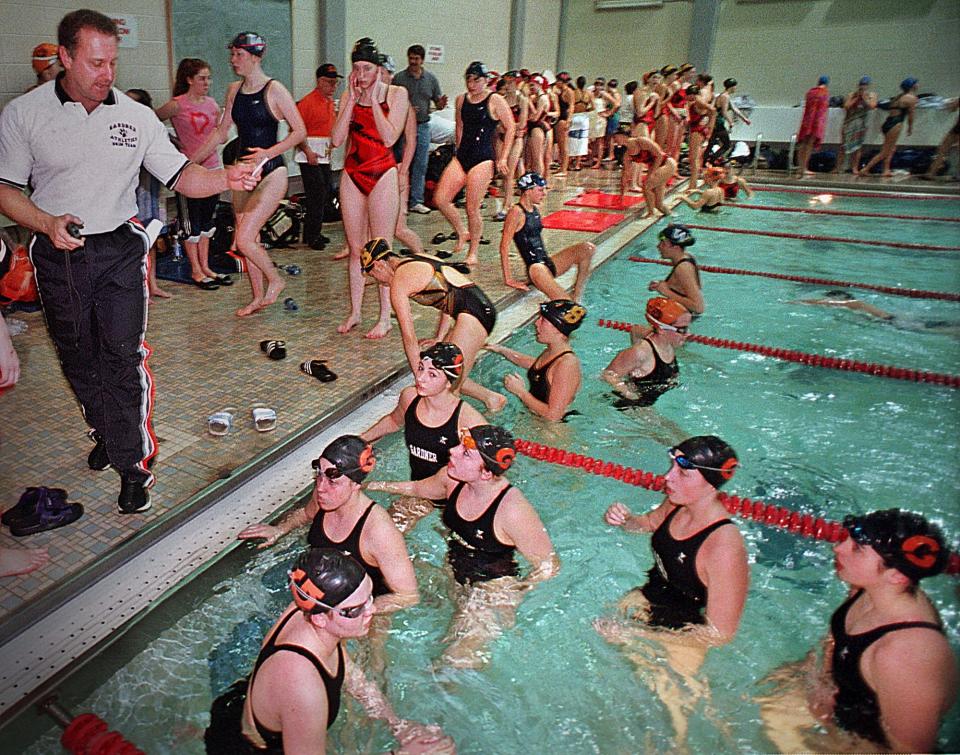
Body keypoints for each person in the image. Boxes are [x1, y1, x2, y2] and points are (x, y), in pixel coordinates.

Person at [0, 10, 261, 514]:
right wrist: (45, 222)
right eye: (95, 63)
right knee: (77, 359)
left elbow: (183, 176)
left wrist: (227, 178)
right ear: (65, 57)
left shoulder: (135, 117)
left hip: (119, 248)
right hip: (59, 252)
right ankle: (108, 429)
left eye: (113, 63)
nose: (107, 74)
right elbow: (6, 191)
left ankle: (133, 464)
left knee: (122, 356)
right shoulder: (24, 115)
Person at [204, 547, 452, 754]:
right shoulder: (303, 687)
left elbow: (352, 674)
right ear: (321, 618)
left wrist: (397, 725)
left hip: (244, 706)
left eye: (369, 597)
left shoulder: (308, 611)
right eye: (355, 609)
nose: (372, 610)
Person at [758, 509, 957, 753]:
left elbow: (910, 751)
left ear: (896, 576)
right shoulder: (867, 587)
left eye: (857, 549)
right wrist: (823, 678)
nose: (838, 548)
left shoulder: (905, 655)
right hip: (841, 705)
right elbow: (837, 636)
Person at [596, 436, 748, 746]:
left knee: (665, 733)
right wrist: (625, 520)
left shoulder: (724, 547)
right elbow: (648, 523)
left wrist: (637, 635)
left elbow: (720, 633)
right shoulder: (678, 502)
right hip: (646, 601)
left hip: (684, 639)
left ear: (710, 483)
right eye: (671, 467)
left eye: (682, 472)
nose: (668, 477)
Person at [366, 425, 558, 668]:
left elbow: (549, 566)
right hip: (454, 569)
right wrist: (372, 486)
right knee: (382, 582)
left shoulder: (512, 510)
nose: (453, 451)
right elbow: (416, 488)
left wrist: (514, 594)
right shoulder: (452, 478)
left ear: (486, 473)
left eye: (465, 453)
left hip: (490, 589)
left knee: (449, 664)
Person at [192, 31, 305, 317]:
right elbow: (220, 132)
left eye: (238, 55)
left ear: (255, 56)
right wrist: (189, 163)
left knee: (243, 238)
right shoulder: (233, 90)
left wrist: (269, 152)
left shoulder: (274, 90)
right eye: (232, 55)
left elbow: (300, 131)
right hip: (243, 172)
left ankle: (275, 279)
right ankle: (257, 297)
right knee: (246, 240)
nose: (232, 61)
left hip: (271, 170)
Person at [237, 435, 418, 614]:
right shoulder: (324, 496)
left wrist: (353, 611)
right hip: (317, 590)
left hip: (359, 612)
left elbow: (407, 596)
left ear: (356, 485)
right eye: (319, 475)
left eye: (332, 481)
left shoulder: (379, 532)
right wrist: (279, 529)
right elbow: (306, 514)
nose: (321, 487)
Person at [361, 238, 505, 412]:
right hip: (475, 309)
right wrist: (439, 338)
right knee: (442, 370)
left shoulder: (399, 282)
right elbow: (448, 294)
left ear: (378, 265)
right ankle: (491, 399)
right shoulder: (416, 258)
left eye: (372, 275)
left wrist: (421, 380)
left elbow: (409, 339)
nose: (378, 282)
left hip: (474, 315)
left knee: (445, 392)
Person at [361, 342, 486, 531]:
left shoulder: (468, 421)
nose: (420, 378)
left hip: (455, 499)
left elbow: (486, 475)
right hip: (419, 491)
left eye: (432, 374)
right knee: (384, 533)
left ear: (448, 383)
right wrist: (360, 439)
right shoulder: (410, 398)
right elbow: (394, 421)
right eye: (421, 368)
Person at [332, 38, 409, 339]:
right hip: (354, 172)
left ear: (378, 69)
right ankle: (355, 312)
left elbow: (390, 138)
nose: (361, 75)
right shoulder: (348, 95)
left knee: (381, 250)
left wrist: (374, 100)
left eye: (367, 68)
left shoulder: (397, 94)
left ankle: (385, 317)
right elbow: (337, 140)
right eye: (356, 69)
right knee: (355, 249)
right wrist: (351, 99)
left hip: (383, 173)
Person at [155, 58, 230, 289]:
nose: (207, 82)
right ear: (189, 80)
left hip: (212, 169)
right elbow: (151, 123)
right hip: (189, 172)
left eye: (209, 78)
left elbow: (221, 134)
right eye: (202, 78)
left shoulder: (211, 104)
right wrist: (173, 143)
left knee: (208, 221)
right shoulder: (177, 104)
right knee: (192, 223)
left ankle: (206, 266)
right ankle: (195, 270)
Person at [434, 61, 514, 266]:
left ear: (486, 80)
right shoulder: (461, 100)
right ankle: (462, 231)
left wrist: (503, 157)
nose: (472, 84)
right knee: (440, 199)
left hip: (483, 158)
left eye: (476, 80)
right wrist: (457, 154)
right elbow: (459, 128)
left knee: (472, 208)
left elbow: (511, 127)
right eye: (469, 79)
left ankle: (474, 251)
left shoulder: (495, 100)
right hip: (463, 156)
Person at [499, 171, 595, 299]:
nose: (544, 194)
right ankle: (569, 301)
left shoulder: (534, 209)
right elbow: (503, 247)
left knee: (587, 248)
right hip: (536, 269)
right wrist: (509, 279)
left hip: (547, 263)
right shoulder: (516, 212)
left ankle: (577, 295)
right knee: (567, 307)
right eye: (540, 190)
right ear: (528, 191)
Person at [485, 299, 585, 422]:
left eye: (543, 320)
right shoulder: (554, 352)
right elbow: (538, 366)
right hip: (536, 421)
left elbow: (554, 416)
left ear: (559, 330)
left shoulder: (567, 365)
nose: (536, 323)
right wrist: (502, 350)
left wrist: (520, 392)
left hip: (553, 431)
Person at [602, 297, 690, 406]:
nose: (687, 334)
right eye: (682, 330)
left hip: (649, 402)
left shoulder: (667, 344)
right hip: (628, 405)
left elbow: (636, 330)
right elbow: (608, 375)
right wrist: (631, 395)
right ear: (662, 329)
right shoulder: (641, 352)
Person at [392, 44, 447, 214]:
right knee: (401, 163)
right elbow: (391, 102)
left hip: (423, 125)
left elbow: (437, 102)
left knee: (421, 164)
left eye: (416, 59)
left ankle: (416, 200)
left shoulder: (431, 79)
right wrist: (405, 109)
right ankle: (399, 201)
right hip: (402, 127)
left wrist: (441, 104)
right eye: (411, 58)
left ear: (422, 60)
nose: (413, 61)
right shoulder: (400, 79)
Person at [295, 63, 341, 251]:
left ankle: (314, 231)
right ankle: (312, 237)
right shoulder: (307, 103)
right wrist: (307, 151)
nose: (333, 87)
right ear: (320, 81)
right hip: (309, 155)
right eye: (330, 82)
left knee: (326, 193)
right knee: (316, 195)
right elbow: (296, 131)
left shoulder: (330, 102)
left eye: (335, 83)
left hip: (323, 155)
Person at [794, 289, 960, 334]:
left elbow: (827, 303)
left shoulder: (855, 303)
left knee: (943, 331)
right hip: (896, 320)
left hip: (895, 322)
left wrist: (797, 302)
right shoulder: (856, 306)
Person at [861, 77, 920, 178]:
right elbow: (911, 115)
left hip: (888, 123)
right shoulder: (911, 98)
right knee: (885, 151)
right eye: (916, 83)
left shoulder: (898, 96)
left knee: (891, 148)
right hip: (895, 124)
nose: (918, 85)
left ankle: (886, 170)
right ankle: (865, 169)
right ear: (912, 86)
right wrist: (910, 127)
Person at [647, 224, 704, 315]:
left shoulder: (683, 267)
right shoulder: (686, 257)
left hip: (681, 320)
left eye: (663, 244)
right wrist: (666, 285)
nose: (658, 246)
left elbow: (698, 307)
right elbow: (690, 287)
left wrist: (666, 291)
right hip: (680, 317)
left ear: (676, 248)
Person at [495, 71, 528, 221]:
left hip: (515, 139)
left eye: (510, 83)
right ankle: (510, 202)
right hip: (502, 138)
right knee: (503, 173)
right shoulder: (501, 100)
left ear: (516, 83)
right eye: (506, 82)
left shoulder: (522, 100)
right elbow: (496, 122)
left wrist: (508, 127)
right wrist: (505, 127)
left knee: (509, 172)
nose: (507, 86)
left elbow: (522, 123)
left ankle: (507, 205)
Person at [835, 76, 877, 175]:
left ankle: (854, 168)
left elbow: (872, 106)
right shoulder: (852, 95)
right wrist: (857, 98)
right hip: (849, 123)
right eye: (862, 85)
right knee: (843, 146)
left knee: (858, 147)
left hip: (860, 124)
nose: (863, 87)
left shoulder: (872, 95)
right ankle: (838, 167)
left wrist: (864, 98)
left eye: (865, 85)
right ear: (858, 85)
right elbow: (846, 106)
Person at [706, 77, 750, 161]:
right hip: (717, 123)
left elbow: (734, 109)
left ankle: (706, 160)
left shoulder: (725, 96)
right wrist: (730, 122)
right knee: (726, 144)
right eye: (735, 86)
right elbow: (724, 112)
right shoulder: (725, 97)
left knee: (711, 143)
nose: (736, 88)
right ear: (732, 86)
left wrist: (744, 119)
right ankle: (711, 159)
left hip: (716, 122)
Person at [796, 75, 831, 176]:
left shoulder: (810, 92)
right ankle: (804, 168)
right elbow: (822, 111)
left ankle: (800, 167)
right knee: (809, 145)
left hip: (806, 121)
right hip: (815, 122)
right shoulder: (825, 93)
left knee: (802, 144)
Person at [921, 96, 960, 181]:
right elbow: (953, 109)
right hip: (956, 128)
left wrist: (953, 103)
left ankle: (931, 173)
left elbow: (953, 109)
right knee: (942, 150)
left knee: (944, 150)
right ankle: (931, 173)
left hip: (957, 128)